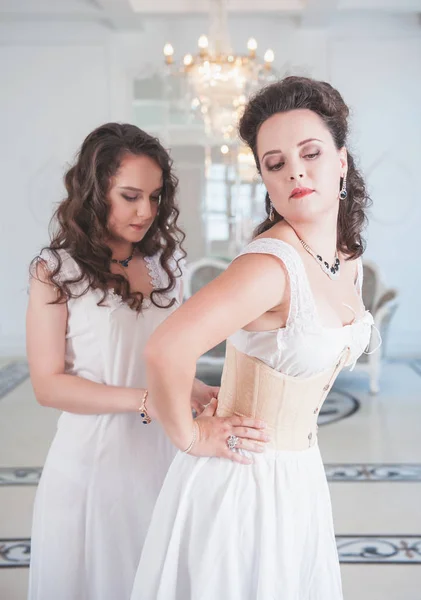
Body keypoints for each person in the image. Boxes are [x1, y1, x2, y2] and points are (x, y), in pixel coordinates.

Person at [130, 77, 375, 600]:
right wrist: (191, 437)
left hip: (299, 475)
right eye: (275, 163)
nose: (296, 171)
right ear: (265, 178)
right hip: (243, 482)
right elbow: (165, 348)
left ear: (342, 161)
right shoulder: (270, 266)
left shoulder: (346, 256)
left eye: (310, 153)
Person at [26, 123, 249, 600]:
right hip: (94, 462)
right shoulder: (55, 270)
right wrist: (148, 400)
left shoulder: (168, 265)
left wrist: (191, 390)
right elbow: (48, 386)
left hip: (166, 453)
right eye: (129, 196)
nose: (145, 211)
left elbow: (157, 356)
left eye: (154, 196)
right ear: (94, 190)